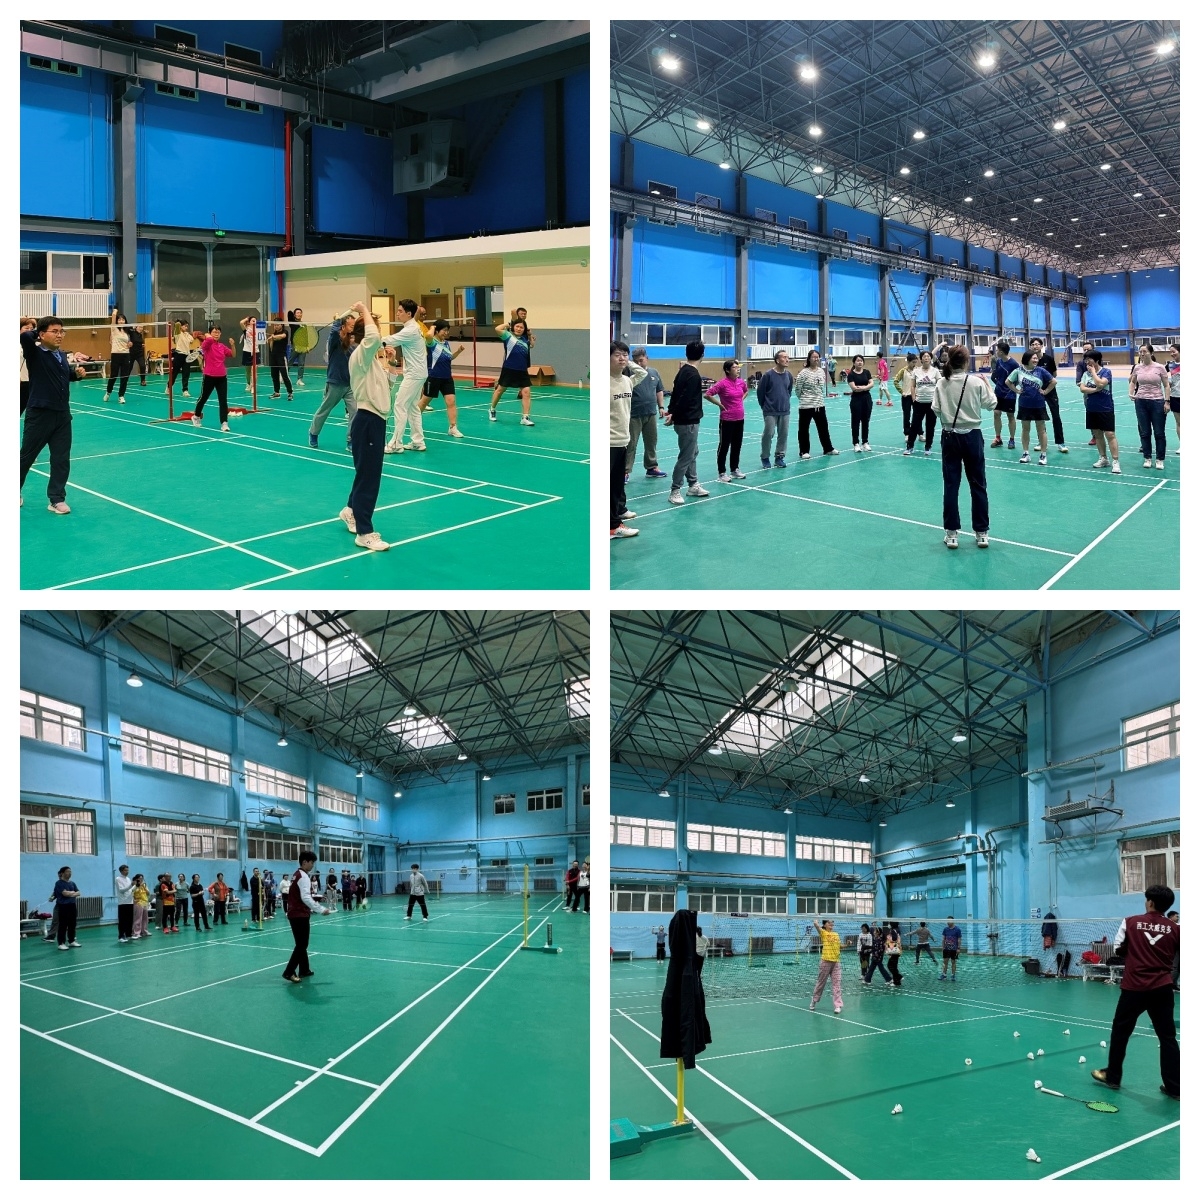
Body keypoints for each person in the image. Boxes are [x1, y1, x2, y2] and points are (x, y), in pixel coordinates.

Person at [1091, 884, 1179, 1100]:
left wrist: (1138, 951)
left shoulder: (1130, 922)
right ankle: (1175, 1087)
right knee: (1167, 1037)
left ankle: (1113, 1077)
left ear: (1150, 902)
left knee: (1120, 1032)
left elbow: (1118, 949)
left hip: (1134, 988)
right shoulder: (1176, 928)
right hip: (1162, 988)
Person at [340, 303, 394, 551]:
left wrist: (390, 365)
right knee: (369, 479)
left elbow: (385, 389)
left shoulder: (370, 360)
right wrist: (363, 309)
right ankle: (365, 532)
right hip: (367, 421)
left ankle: (350, 510)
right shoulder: (360, 354)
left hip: (376, 421)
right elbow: (373, 336)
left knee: (365, 473)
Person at [20, 315, 87, 514]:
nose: (60, 335)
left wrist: (76, 375)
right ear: (41, 334)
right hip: (40, 415)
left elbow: (62, 377)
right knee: (27, 457)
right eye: (55, 331)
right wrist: (38, 328)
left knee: (61, 459)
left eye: (61, 331)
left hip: (62, 416)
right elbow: (25, 337)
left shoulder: (62, 355)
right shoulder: (34, 352)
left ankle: (56, 499)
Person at [932, 344, 997, 550]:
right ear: (967, 361)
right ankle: (982, 533)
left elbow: (936, 409)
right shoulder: (976, 382)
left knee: (951, 485)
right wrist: (987, 385)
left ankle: (951, 534)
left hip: (950, 436)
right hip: (973, 437)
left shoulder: (942, 382)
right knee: (978, 484)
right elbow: (992, 404)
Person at [665, 340, 708, 505]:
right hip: (688, 421)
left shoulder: (683, 371)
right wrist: (674, 415)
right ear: (702, 355)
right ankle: (675, 490)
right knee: (686, 456)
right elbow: (684, 398)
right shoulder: (693, 374)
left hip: (685, 420)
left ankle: (693, 484)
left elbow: (675, 393)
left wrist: (671, 412)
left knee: (693, 452)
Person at [384, 299, 429, 453]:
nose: (397, 314)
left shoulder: (410, 330)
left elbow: (390, 340)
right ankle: (418, 442)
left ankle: (396, 444)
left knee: (400, 404)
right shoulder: (413, 327)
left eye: (400, 311)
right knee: (412, 407)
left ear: (409, 314)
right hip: (418, 373)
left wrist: (368, 341)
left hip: (415, 374)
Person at [609, 340, 644, 539]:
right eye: (617, 355)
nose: (622, 358)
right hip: (609, 441)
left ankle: (616, 515)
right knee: (608, 486)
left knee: (617, 484)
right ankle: (612, 526)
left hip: (623, 439)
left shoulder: (626, 381)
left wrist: (627, 361)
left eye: (625, 354)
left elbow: (642, 373)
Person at [308, 312, 357, 450]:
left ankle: (351, 440)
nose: (353, 328)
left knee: (355, 412)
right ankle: (313, 433)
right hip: (335, 383)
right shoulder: (334, 341)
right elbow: (334, 331)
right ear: (343, 327)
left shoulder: (354, 342)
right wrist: (338, 319)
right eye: (350, 326)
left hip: (350, 384)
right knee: (324, 410)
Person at [283, 851, 331, 983]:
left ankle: (304, 969)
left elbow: (302, 895)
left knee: (301, 943)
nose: (313, 865)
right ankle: (289, 972)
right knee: (302, 944)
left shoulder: (297, 874)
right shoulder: (303, 876)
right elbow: (305, 898)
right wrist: (321, 909)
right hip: (299, 914)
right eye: (311, 862)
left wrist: (317, 899)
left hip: (295, 913)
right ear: (304, 862)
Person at [1006, 349, 1054, 466]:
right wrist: (1017, 390)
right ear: (1027, 359)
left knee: (1041, 429)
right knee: (1025, 429)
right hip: (1024, 404)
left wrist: (1045, 391)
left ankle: (1043, 455)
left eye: (1037, 358)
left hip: (1039, 404)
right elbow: (1008, 381)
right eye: (1034, 358)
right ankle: (1026, 453)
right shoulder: (1018, 371)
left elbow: (1053, 381)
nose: (1036, 360)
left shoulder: (1041, 370)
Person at [419, 319, 464, 437]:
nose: (446, 333)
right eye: (444, 330)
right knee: (424, 402)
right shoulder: (431, 343)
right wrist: (433, 327)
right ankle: (415, 423)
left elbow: (450, 357)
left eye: (447, 330)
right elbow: (428, 335)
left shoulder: (446, 343)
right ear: (437, 330)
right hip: (433, 377)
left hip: (447, 378)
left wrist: (458, 352)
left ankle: (453, 427)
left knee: (451, 401)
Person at [706, 359, 749, 481]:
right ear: (727, 370)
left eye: (738, 367)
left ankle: (735, 469)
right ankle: (722, 473)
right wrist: (719, 404)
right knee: (724, 445)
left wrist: (740, 400)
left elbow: (746, 391)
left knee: (737, 445)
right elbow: (707, 394)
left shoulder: (741, 382)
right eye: (735, 367)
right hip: (727, 419)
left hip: (740, 418)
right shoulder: (722, 384)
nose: (738, 369)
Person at [626, 349, 666, 480]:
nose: (638, 363)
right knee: (631, 444)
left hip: (651, 413)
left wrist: (661, 407)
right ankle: (625, 471)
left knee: (651, 442)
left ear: (647, 358)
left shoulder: (654, 372)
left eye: (641, 360)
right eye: (635, 361)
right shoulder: (629, 373)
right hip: (634, 414)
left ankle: (652, 467)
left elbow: (659, 390)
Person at [1129, 343, 1170, 470]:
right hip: (1140, 402)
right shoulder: (1137, 367)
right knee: (1145, 432)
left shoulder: (1160, 367)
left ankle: (1160, 459)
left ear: (1151, 353)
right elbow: (1132, 381)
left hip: (1157, 402)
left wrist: (1167, 401)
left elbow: (1166, 385)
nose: (1142, 354)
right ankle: (1147, 458)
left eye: (1144, 351)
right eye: (1140, 351)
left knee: (1159, 433)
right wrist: (1131, 393)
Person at [489, 318, 535, 426]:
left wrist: (530, 335)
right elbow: (497, 328)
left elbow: (532, 345)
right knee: (500, 390)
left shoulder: (524, 339)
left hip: (522, 370)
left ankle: (525, 417)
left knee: (526, 392)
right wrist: (509, 323)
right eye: (517, 326)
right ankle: (492, 409)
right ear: (513, 327)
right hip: (509, 368)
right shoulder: (508, 336)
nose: (519, 329)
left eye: (521, 327)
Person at [1079, 352, 1120, 473]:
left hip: (1106, 408)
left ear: (1097, 360)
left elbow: (1101, 383)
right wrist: (1095, 390)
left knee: (1110, 434)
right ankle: (1103, 458)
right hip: (1092, 408)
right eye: (1086, 360)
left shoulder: (1106, 372)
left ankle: (1115, 461)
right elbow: (1082, 389)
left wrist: (1093, 373)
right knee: (1097, 434)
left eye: (1089, 359)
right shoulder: (1085, 374)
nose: (1087, 362)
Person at [794, 349, 838, 459]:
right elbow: (798, 389)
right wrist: (805, 398)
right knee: (804, 429)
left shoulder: (821, 372)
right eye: (813, 357)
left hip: (819, 405)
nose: (816, 359)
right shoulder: (803, 373)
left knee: (823, 428)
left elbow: (821, 388)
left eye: (817, 357)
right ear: (809, 359)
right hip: (806, 405)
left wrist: (818, 399)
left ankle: (828, 449)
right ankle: (804, 451)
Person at [191, 325, 235, 432]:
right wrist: (207, 335)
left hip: (222, 377)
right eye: (214, 332)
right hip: (209, 376)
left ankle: (224, 423)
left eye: (218, 332)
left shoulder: (222, 346)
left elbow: (232, 354)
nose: (216, 334)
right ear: (210, 333)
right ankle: (196, 416)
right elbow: (209, 339)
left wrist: (233, 345)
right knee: (203, 398)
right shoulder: (207, 344)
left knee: (223, 401)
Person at [1028, 338, 1067, 453]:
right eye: (1033, 344)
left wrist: (1047, 387)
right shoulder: (1030, 360)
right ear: (1030, 347)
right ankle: (1041, 442)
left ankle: (1060, 442)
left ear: (1041, 346)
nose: (1035, 346)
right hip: (1037, 392)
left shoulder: (1049, 359)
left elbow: (1054, 374)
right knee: (1039, 417)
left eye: (1037, 344)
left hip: (1050, 391)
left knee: (1056, 416)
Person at [756, 349, 793, 468]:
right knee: (768, 434)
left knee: (783, 434)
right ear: (777, 360)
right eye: (784, 357)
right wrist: (765, 406)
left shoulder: (788, 375)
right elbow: (760, 392)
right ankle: (765, 457)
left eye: (788, 357)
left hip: (785, 410)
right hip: (770, 410)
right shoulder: (768, 375)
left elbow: (789, 391)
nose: (787, 359)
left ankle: (779, 457)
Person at [904, 349, 939, 456]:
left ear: (931, 359)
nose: (926, 358)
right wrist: (914, 398)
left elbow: (940, 386)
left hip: (932, 403)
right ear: (921, 359)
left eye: (928, 356)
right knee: (915, 425)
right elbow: (913, 386)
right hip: (919, 403)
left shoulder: (935, 371)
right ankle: (910, 447)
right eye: (924, 356)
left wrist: (938, 400)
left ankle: (928, 447)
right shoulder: (916, 371)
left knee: (930, 426)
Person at [988, 339, 1019, 449]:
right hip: (998, 393)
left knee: (1010, 415)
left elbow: (1018, 379)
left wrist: (1012, 388)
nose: (996, 352)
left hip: (1009, 394)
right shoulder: (998, 362)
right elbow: (995, 376)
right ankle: (998, 438)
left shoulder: (1014, 364)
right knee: (996, 413)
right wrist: (998, 385)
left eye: (997, 350)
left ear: (1001, 352)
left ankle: (1012, 439)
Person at [809, 918, 843, 1013]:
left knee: (837, 984)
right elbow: (817, 927)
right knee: (821, 983)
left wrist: (847, 944)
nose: (831, 923)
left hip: (836, 962)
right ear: (825, 925)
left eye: (832, 922)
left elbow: (840, 946)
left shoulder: (836, 934)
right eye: (828, 922)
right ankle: (814, 1000)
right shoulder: (823, 933)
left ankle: (838, 1005)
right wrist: (816, 922)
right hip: (825, 962)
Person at [1075, 340, 1103, 447]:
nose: (1086, 351)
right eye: (1084, 350)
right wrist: (1090, 387)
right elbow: (1079, 382)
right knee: (1091, 414)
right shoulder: (1081, 364)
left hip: (1101, 393)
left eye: (1088, 349)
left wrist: (1097, 384)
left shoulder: (1099, 363)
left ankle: (1103, 433)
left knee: (1102, 414)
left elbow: (1102, 380)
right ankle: (1094, 436)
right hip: (1088, 394)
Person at [846, 354, 874, 451]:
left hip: (867, 399)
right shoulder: (851, 374)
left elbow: (872, 384)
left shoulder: (867, 372)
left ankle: (865, 442)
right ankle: (856, 443)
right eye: (857, 361)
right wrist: (866, 387)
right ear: (854, 363)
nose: (859, 362)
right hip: (856, 400)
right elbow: (854, 388)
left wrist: (862, 388)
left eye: (861, 360)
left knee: (866, 421)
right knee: (855, 422)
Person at [104, 308, 133, 403]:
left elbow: (129, 343)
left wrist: (130, 344)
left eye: (123, 320)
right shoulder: (114, 329)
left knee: (125, 377)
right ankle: (108, 392)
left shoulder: (127, 332)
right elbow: (113, 316)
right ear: (117, 321)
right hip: (116, 354)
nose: (121, 321)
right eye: (119, 320)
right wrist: (115, 311)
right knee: (114, 375)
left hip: (126, 355)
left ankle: (121, 395)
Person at [52, 865, 81, 950]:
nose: (70, 873)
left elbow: (79, 893)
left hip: (72, 905)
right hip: (63, 906)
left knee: (72, 924)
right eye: (68, 871)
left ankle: (71, 941)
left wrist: (70, 893)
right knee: (63, 925)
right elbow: (65, 894)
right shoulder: (59, 883)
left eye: (70, 872)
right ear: (62, 873)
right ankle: (61, 943)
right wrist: (73, 893)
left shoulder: (72, 883)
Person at [266, 316, 293, 401]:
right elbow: (271, 347)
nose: (276, 326)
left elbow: (282, 336)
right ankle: (276, 392)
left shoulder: (285, 332)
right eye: (275, 325)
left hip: (281, 357)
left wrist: (273, 337)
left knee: (285, 375)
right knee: (274, 375)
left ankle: (290, 393)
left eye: (278, 325)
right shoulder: (274, 333)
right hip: (273, 357)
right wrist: (271, 341)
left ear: (281, 325)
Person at [167, 319, 195, 400]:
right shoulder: (177, 334)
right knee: (174, 373)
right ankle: (169, 387)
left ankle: (185, 390)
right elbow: (176, 327)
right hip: (179, 355)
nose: (186, 327)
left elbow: (191, 340)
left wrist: (187, 333)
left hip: (187, 356)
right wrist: (178, 323)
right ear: (180, 326)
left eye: (187, 326)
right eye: (185, 326)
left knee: (186, 373)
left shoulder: (187, 334)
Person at [894, 352, 918, 442]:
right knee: (907, 416)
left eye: (915, 362)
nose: (914, 364)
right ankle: (907, 434)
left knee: (917, 416)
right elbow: (896, 381)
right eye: (913, 362)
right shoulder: (903, 371)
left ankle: (920, 433)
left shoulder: (918, 370)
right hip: (906, 397)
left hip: (916, 397)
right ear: (908, 362)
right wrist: (902, 391)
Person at [863, 921, 893, 985]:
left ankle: (889, 979)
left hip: (877, 957)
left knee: (880, 969)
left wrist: (873, 954)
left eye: (875, 932)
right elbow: (874, 948)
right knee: (872, 968)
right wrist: (869, 951)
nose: (874, 932)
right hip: (876, 957)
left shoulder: (879, 940)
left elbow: (879, 950)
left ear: (878, 933)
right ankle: (867, 980)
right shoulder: (877, 939)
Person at [238, 315, 259, 393]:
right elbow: (241, 322)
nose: (254, 322)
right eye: (252, 320)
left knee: (254, 370)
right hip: (247, 351)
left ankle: (253, 386)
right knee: (248, 371)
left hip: (256, 352)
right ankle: (248, 383)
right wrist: (247, 318)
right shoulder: (246, 330)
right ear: (249, 322)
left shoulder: (258, 330)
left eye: (255, 320)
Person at [19, 316, 36, 414]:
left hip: (29, 383)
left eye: (31, 329)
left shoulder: (35, 345)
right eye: (26, 328)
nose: (30, 331)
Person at [287, 308, 308, 386]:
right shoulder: (292, 323)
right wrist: (293, 315)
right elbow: (289, 313)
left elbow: (305, 336)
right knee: (290, 362)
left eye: (300, 313)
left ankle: (299, 379)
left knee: (301, 364)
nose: (299, 314)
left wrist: (307, 346)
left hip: (303, 347)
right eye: (297, 313)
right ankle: (283, 376)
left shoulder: (304, 325)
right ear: (295, 314)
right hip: (295, 346)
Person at [114, 863, 134, 943]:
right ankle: (121, 936)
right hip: (123, 902)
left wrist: (136, 886)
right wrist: (131, 885)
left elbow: (130, 890)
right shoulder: (118, 879)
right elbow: (121, 890)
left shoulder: (128, 879)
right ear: (121, 871)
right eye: (125, 870)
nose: (127, 871)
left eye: (127, 870)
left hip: (130, 902)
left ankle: (129, 935)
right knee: (122, 920)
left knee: (130, 920)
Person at [1165, 344, 1179, 451]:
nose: (1171, 354)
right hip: (1175, 396)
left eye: (1173, 351)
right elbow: (1161, 375)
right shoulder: (1170, 365)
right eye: (1170, 352)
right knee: (1179, 423)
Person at [939, 916, 963, 981]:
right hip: (946, 949)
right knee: (945, 962)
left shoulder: (957, 929)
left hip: (954, 949)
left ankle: (953, 975)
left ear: (953, 921)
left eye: (949, 921)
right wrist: (943, 947)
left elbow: (959, 939)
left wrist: (958, 948)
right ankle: (944, 975)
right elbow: (943, 939)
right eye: (947, 921)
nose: (948, 922)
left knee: (953, 962)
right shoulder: (945, 929)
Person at [131, 873, 151, 939]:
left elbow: (148, 893)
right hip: (138, 903)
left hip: (145, 902)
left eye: (142, 878)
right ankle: (136, 933)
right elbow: (131, 893)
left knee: (145, 918)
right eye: (139, 878)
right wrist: (133, 900)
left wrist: (144, 887)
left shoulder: (144, 885)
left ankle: (144, 931)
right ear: (137, 879)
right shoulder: (134, 885)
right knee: (138, 918)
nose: (141, 879)